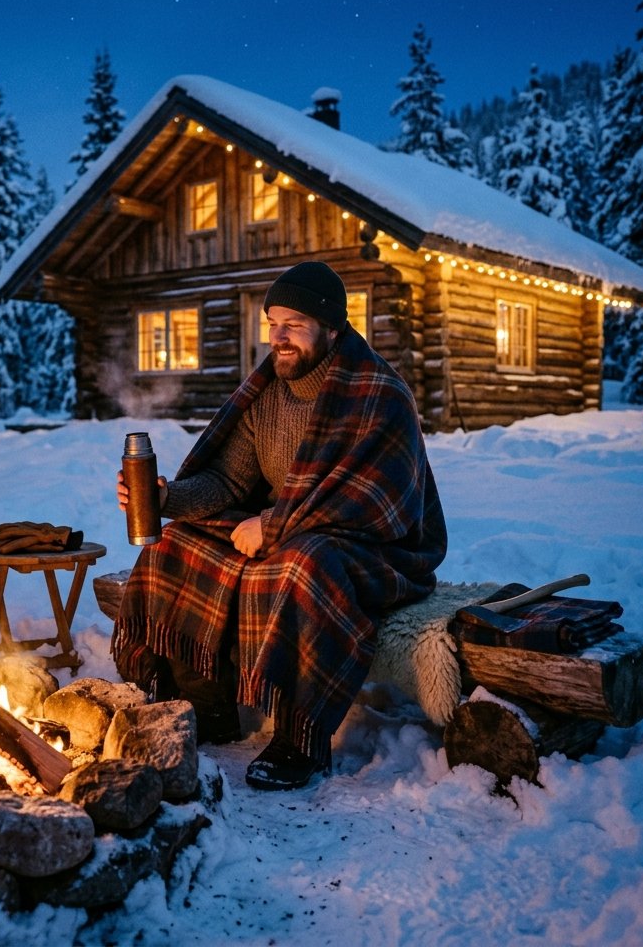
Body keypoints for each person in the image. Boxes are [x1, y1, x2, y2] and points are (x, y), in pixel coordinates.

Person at [113, 260, 447, 790]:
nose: (279, 337)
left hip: (378, 548)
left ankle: (301, 738)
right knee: (175, 544)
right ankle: (208, 706)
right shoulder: (269, 393)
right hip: (291, 529)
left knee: (304, 564)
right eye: (272, 323)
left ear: (331, 327)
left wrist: (273, 526)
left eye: (294, 323)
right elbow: (227, 481)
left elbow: (376, 503)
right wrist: (168, 496)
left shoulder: (380, 393)